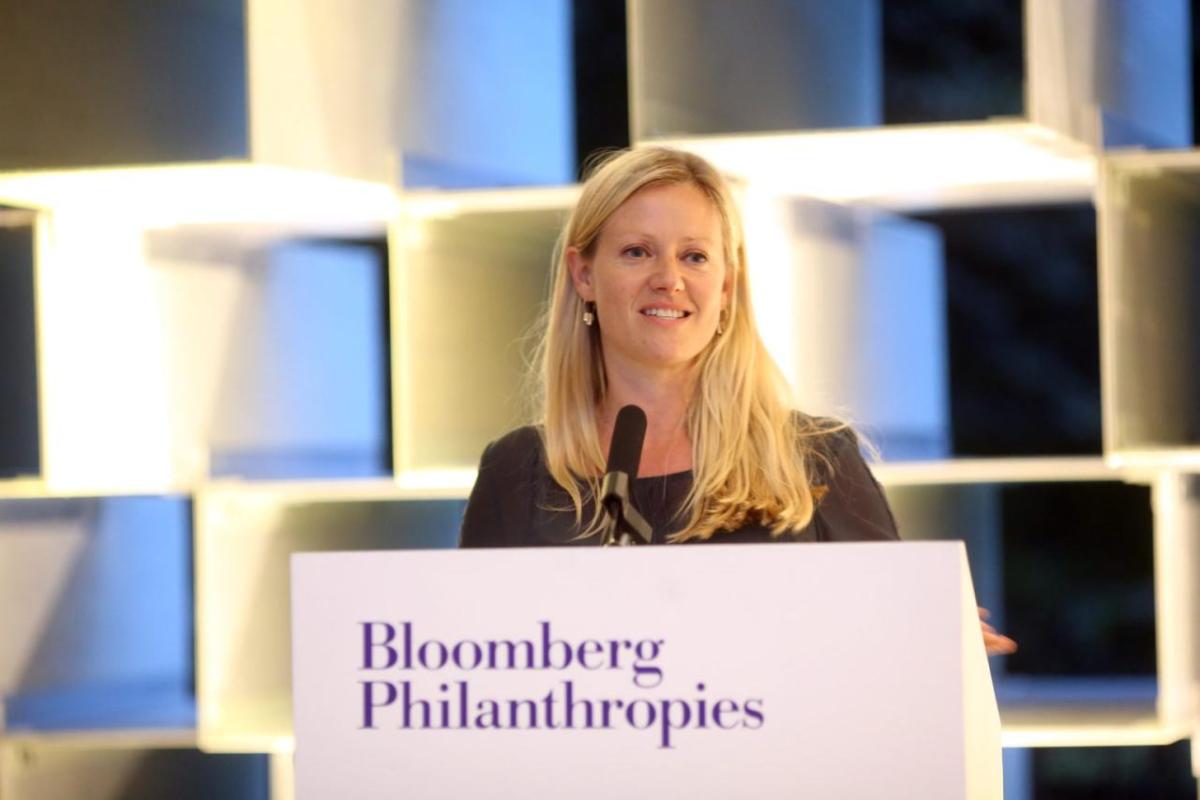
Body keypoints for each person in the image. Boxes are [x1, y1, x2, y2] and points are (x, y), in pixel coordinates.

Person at [458, 146, 1016, 655]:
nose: (668, 279)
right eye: (636, 252)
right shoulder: (515, 471)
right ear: (584, 274)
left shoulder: (816, 458)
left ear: (727, 286)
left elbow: (884, 651)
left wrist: (921, 631)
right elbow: (477, 663)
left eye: (695, 257)